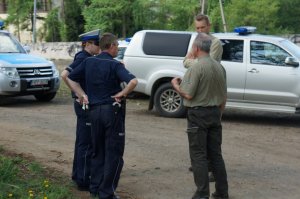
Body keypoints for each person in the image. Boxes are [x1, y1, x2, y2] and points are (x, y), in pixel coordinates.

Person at [66, 32, 137, 199]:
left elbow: (70, 77)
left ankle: (95, 188)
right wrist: (121, 94)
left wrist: (82, 95)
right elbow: (133, 82)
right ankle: (107, 192)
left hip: (93, 112)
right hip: (111, 113)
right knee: (114, 154)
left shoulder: (88, 61)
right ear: (111, 46)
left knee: (97, 151)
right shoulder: (115, 65)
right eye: (117, 46)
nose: (117, 49)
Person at [171, 33, 228, 199]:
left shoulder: (195, 67)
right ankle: (222, 192)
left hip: (198, 114)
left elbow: (188, 94)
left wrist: (176, 85)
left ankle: (202, 193)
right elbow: (224, 96)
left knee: (198, 155)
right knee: (216, 155)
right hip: (215, 113)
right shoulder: (219, 67)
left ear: (195, 48)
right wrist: (219, 114)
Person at [185, 14, 224, 182]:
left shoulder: (215, 43)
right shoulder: (196, 40)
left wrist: (194, 61)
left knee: (210, 140)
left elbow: (209, 63)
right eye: (197, 28)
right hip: (198, 88)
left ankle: (209, 169)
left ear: (209, 26)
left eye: (202, 27)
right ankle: (202, 165)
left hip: (209, 91)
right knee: (198, 138)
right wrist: (195, 61)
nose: (200, 31)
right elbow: (185, 61)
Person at [61, 29, 101, 191]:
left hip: (83, 105)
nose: (99, 47)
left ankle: (78, 175)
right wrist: (81, 94)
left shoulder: (87, 57)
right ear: (88, 44)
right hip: (84, 106)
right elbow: (65, 75)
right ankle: (83, 180)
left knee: (82, 141)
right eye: (97, 44)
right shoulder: (83, 58)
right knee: (86, 143)